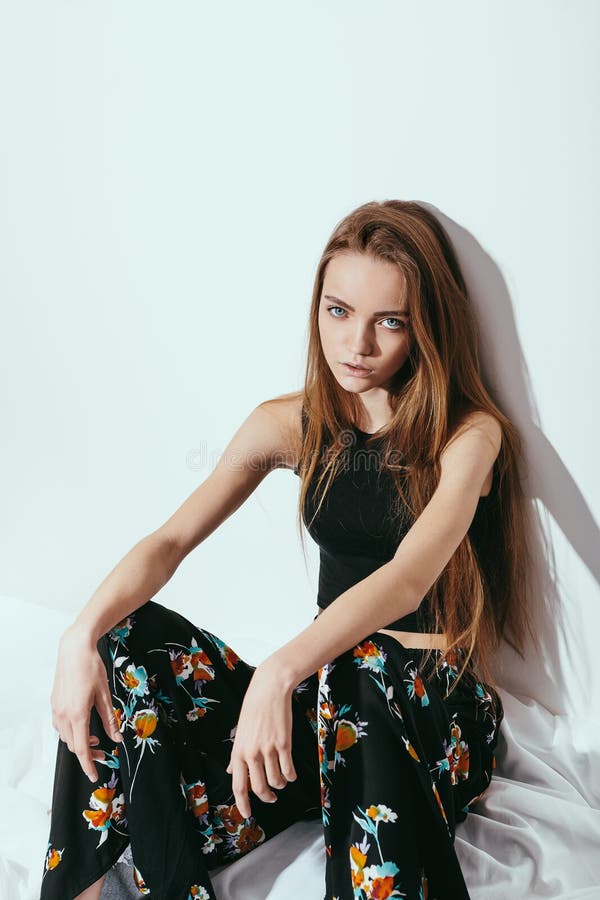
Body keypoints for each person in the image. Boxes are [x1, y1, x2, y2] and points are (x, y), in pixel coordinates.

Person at [40, 200, 536, 900]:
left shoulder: (468, 435)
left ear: (425, 328)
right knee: (122, 636)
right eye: (339, 312)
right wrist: (78, 634)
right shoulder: (293, 423)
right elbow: (172, 539)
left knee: (360, 667)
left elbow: (406, 579)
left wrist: (280, 668)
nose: (357, 344)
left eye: (389, 321)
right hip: (320, 703)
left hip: (422, 707)